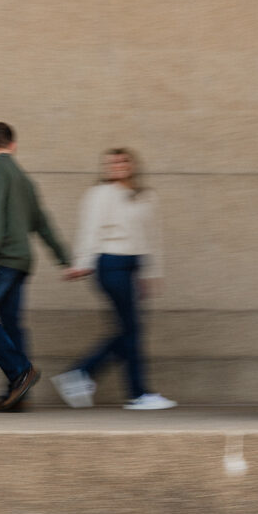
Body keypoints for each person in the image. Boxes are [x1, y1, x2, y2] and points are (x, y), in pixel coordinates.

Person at [54, 148, 177, 410]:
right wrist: (82, 263)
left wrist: (152, 273)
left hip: (135, 265)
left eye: (122, 161)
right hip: (110, 263)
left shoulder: (146, 196)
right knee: (132, 329)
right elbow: (90, 229)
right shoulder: (100, 194)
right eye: (111, 162)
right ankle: (137, 393)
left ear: (132, 164)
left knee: (129, 330)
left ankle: (82, 374)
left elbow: (154, 238)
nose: (117, 165)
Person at [0, 122, 71, 412]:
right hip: (21, 262)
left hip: (2, 258)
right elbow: (42, 222)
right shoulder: (24, 179)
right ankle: (17, 396)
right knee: (11, 325)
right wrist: (65, 258)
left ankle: (21, 371)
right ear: (13, 144)